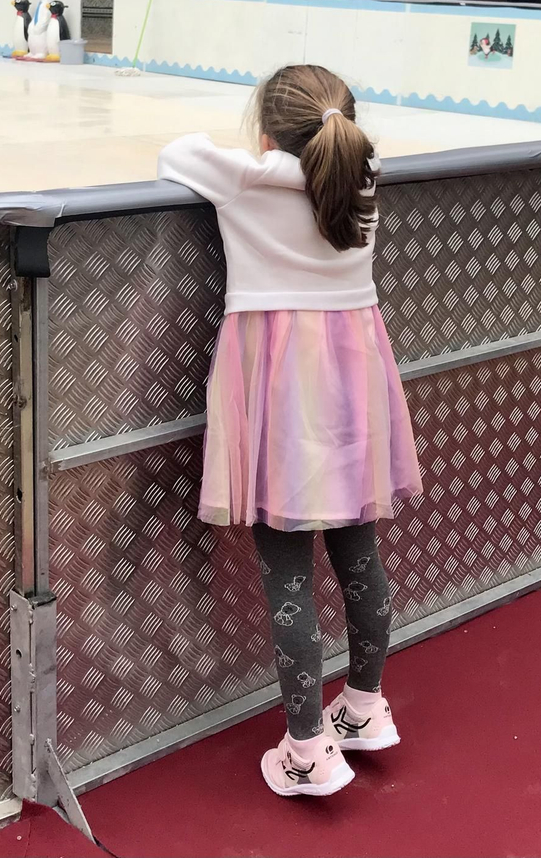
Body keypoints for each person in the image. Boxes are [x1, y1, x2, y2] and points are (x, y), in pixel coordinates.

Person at [157, 65, 423, 798]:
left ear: (270, 133)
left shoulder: (247, 179)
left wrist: (265, 158)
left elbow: (175, 154)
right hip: (354, 382)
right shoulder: (363, 174)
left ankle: (306, 750)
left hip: (281, 392)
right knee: (359, 553)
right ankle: (363, 705)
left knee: (289, 575)